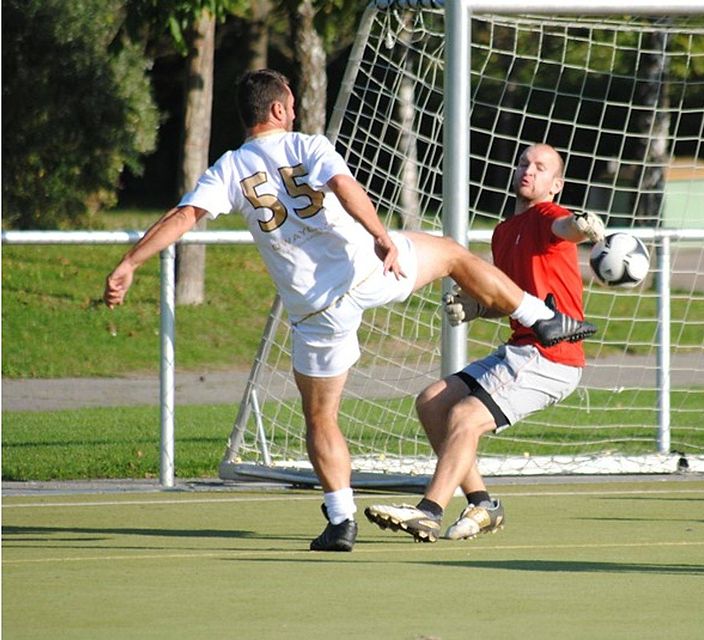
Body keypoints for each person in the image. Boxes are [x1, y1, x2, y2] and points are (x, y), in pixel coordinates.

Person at [102, 71, 597, 553]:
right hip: (367, 270)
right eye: (291, 103)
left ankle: (341, 520)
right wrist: (383, 235)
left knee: (320, 417)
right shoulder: (307, 145)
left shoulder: (229, 168)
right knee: (450, 253)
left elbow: (184, 216)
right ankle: (540, 316)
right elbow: (344, 187)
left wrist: (130, 262)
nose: (294, 110)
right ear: (278, 109)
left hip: (315, 309)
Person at [364, 143, 605, 542]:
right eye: (523, 163)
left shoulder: (551, 216)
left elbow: (568, 228)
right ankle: (483, 504)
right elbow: (510, 297)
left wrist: (585, 226)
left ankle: (428, 512)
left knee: (465, 418)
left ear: (556, 185)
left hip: (551, 358)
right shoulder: (504, 231)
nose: (528, 170)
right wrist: (479, 308)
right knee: (432, 402)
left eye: (541, 168)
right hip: (520, 349)